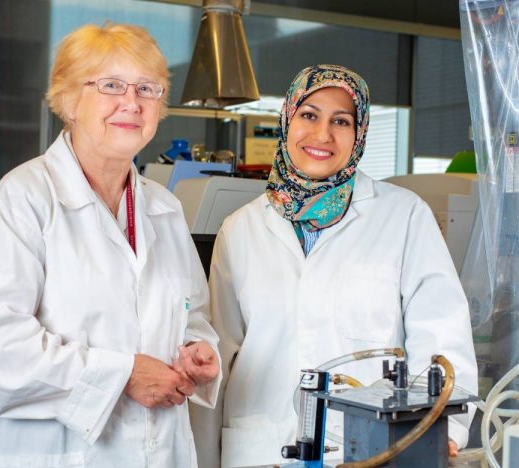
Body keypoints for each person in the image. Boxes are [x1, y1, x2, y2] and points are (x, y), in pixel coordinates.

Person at [0, 23, 220, 467]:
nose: (132, 103)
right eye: (111, 85)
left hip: (154, 450)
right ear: (69, 100)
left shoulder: (164, 209)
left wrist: (196, 353)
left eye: (148, 89)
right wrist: (124, 374)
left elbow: (193, 315)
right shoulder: (24, 199)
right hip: (47, 451)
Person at [191, 64, 478, 467]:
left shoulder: (404, 215)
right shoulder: (240, 230)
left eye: (340, 121)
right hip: (260, 449)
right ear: (287, 119)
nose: (323, 134)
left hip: (371, 448)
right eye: (309, 115)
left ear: (358, 134)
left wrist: (440, 428)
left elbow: (440, 337)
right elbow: (215, 363)